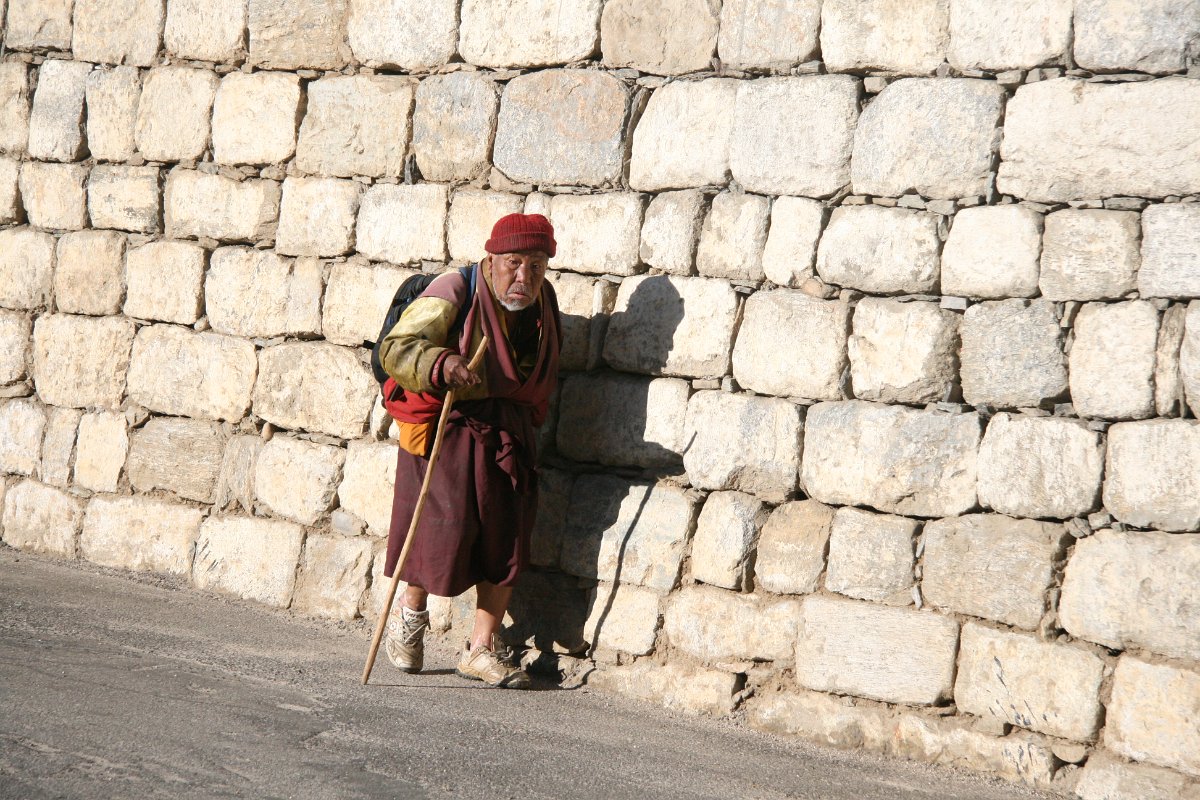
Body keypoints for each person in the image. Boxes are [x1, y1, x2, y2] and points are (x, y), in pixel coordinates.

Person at [377, 213, 561, 689]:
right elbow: (396, 348)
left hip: (510, 430)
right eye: (514, 264)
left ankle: (481, 648)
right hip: (452, 423)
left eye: (537, 266)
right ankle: (410, 618)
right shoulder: (455, 289)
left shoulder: (543, 305)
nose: (524, 277)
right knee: (441, 530)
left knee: (507, 537)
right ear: (492, 259)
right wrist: (442, 362)